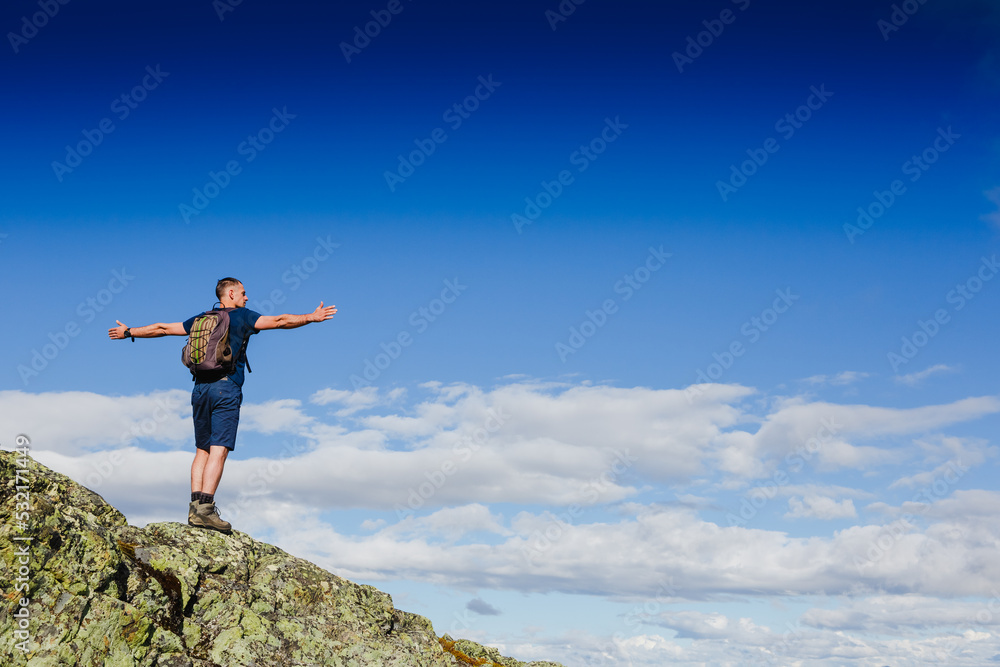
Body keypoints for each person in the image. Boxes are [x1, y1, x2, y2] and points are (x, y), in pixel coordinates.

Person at [108, 277, 336, 533]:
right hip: (225, 388)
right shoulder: (241, 317)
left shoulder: (200, 319)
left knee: (202, 450)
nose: (246, 298)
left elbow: (161, 328)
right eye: (243, 293)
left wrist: (128, 332)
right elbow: (280, 321)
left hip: (199, 389)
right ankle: (206, 510)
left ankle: (195, 508)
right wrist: (311, 317)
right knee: (219, 449)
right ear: (230, 293)